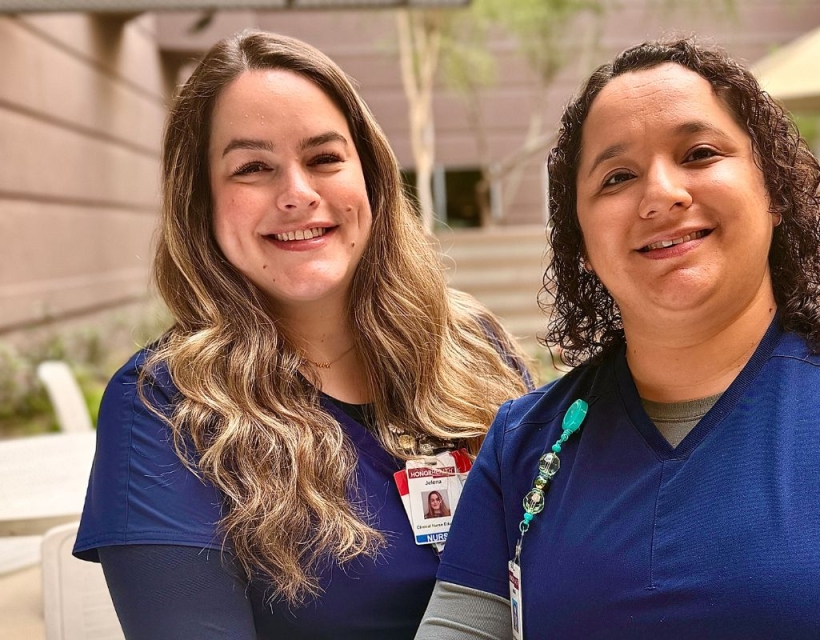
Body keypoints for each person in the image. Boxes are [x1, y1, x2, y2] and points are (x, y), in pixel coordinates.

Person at [417, 39, 820, 639]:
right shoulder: (522, 445)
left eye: (699, 153)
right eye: (618, 176)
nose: (661, 194)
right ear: (583, 243)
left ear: (774, 191)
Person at [72, 30, 531, 640]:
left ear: (370, 176)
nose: (297, 194)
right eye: (253, 168)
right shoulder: (166, 408)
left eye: (324, 159)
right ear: (200, 201)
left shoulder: (473, 349)